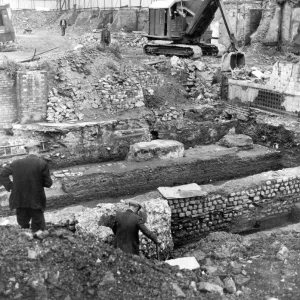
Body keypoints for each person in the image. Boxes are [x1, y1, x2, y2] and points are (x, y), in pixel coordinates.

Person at [0, 142, 53, 232]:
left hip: (19, 198)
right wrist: (39, 182)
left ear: (27, 152)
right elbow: (48, 183)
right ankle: (36, 238)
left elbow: (2, 174)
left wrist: (10, 186)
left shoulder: (16, 163)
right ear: (36, 150)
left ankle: (26, 235)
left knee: (23, 223)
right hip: (35, 198)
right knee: (38, 225)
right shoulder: (42, 163)